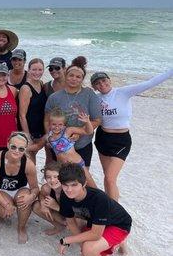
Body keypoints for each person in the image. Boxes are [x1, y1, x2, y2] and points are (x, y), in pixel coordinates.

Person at [91, 68, 173, 200]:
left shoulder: (123, 92)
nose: (102, 84)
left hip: (121, 140)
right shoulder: (95, 98)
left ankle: (113, 215)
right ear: (94, 86)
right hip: (103, 138)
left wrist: (170, 72)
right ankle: (111, 207)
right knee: (108, 178)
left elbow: (150, 83)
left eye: (104, 80)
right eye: (97, 83)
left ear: (109, 80)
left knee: (110, 178)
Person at [57, 163, 132, 256]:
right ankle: (114, 244)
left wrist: (68, 240)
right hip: (96, 224)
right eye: (65, 185)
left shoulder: (99, 198)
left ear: (84, 184)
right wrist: (82, 250)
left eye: (74, 185)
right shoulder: (65, 197)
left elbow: (96, 235)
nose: (69, 190)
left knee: (89, 249)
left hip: (118, 225)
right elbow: (71, 223)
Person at [44, 56, 102, 171]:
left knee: (81, 179)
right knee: (61, 177)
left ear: (82, 79)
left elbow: (97, 120)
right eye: (71, 75)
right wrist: (50, 137)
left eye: (78, 77)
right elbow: (47, 120)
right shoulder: (55, 97)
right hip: (59, 146)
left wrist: (79, 133)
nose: (74, 79)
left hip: (83, 144)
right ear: (66, 76)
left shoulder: (89, 94)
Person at [0, 132, 39, 243]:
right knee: (3, 211)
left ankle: (21, 227)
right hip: (1, 190)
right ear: (7, 144)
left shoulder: (29, 164)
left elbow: (35, 188)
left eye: (21, 149)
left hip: (20, 189)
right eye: (13, 147)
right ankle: (1, 212)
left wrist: (31, 197)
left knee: (24, 201)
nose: (16, 151)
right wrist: (6, 205)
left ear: (25, 149)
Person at [30, 108, 97, 188]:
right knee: (68, 188)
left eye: (60, 124)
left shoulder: (68, 131)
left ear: (64, 125)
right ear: (49, 124)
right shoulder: (48, 137)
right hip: (63, 168)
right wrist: (22, 147)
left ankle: (101, 200)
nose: (57, 127)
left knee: (90, 185)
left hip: (77, 165)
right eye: (54, 124)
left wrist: (87, 122)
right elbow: (37, 146)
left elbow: (88, 131)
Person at [18, 58, 47, 162]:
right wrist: (27, 136)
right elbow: (22, 115)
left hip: (40, 131)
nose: (37, 72)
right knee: (29, 162)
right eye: (34, 69)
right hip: (29, 131)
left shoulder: (42, 84)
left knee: (33, 160)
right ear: (28, 70)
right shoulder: (25, 88)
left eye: (40, 70)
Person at [32, 162, 66, 235]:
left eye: (56, 177)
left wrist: (56, 207)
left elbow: (78, 213)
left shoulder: (69, 189)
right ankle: (59, 226)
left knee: (79, 222)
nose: (52, 180)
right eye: (48, 177)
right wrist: (42, 203)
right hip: (62, 216)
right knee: (36, 206)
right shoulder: (46, 188)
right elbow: (41, 194)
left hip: (75, 217)